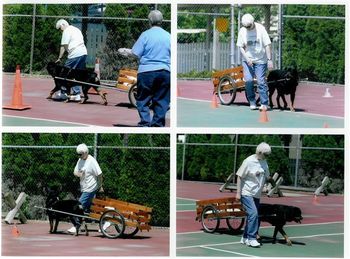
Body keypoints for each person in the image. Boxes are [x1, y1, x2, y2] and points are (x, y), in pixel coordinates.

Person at [118, 10, 171, 127]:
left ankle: (145, 123)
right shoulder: (168, 36)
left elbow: (135, 53)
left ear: (150, 21)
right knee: (162, 100)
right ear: (162, 21)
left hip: (147, 72)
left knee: (143, 99)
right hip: (165, 71)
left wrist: (125, 51)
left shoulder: (145, 35)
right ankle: (157, 125)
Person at [235, 142, 272, 247]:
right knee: (253, 214)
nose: (267, 157)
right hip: (246, 193)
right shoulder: (248, 161)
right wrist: (238, 193)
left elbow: (266, 176)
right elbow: (239, 176)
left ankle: (245, 237)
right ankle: (252, 238)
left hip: (257, 194)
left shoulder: (264, 162)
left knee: (253, 216)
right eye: (266, 154)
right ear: (259, 152)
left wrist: (265, 186)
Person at [236, 13, 273, 111]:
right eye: (246, 26)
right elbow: (240, 47)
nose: (248, 28)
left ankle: (264, 103)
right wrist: (247, 59)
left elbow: (267, 45)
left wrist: (269, 60)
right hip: (247, 60)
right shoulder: (242, 31)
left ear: (253, 22)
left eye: (249, 26)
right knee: (248, 80)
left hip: (261, 60)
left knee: (261, 81)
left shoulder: (261, 29)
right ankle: (252, 101)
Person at [67, 143, 103, 234]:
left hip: (90, 188)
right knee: (90, 209)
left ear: (86, 152)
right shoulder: (80, 160)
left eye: (81, 154)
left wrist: (100, 185)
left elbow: (99, 174)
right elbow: (75, 172)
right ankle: (105, 222)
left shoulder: (92, 161)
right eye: (78, 154)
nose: (79, 156)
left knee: (78, 207)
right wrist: (79, 174)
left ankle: (76, 226)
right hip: (84, 188)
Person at [55, 19, 88, 101]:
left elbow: (63, 46)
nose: (60, 31)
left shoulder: (66, 31)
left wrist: (59, 58)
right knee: (75, 74)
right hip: (83, 53)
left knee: (63, 73)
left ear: (63, 24)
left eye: (60, 28)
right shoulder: (76, 29)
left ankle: (63, 93)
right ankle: (77, 94)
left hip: (75, 54)